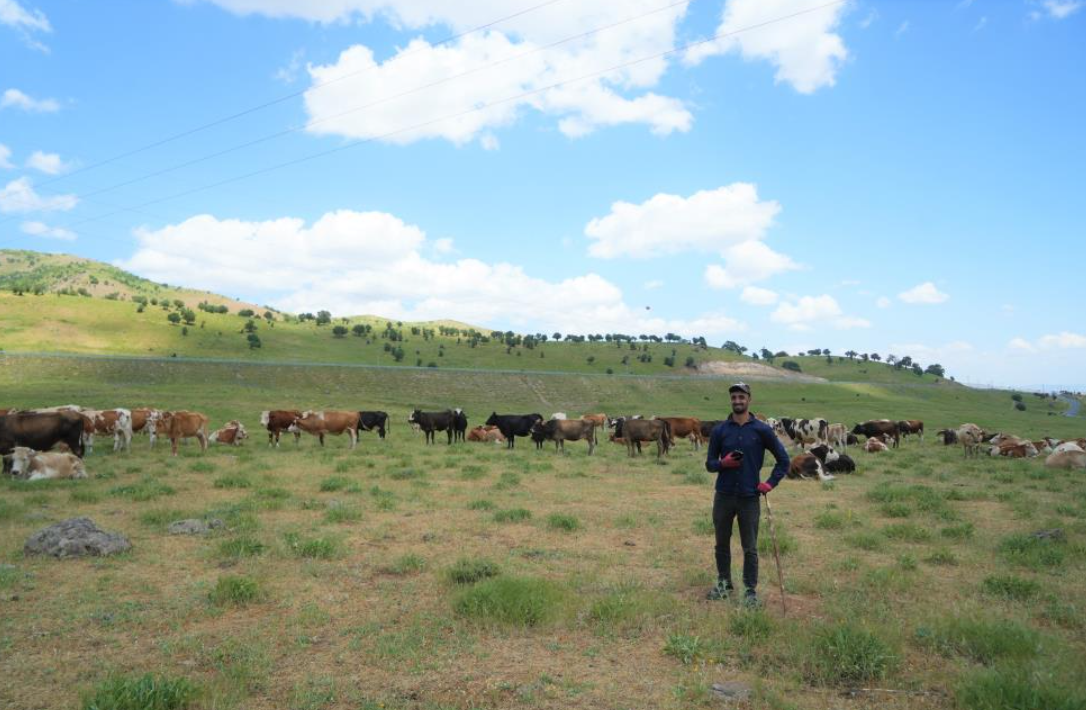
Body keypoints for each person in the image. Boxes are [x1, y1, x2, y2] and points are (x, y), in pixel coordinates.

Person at [704, 382, 789, 606]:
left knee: (749, 547)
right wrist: (724, 462)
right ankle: (724, 584)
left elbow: (784, 460)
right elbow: (710, 465)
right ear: (730, 400)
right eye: (734, 397)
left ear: (749, 399)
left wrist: (769, 484)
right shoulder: (720, 430)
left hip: (750, 497)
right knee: (721, 543)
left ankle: (750, 591)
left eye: (741, 397)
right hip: (723, 495)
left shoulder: (762, 430)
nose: (737, 401)